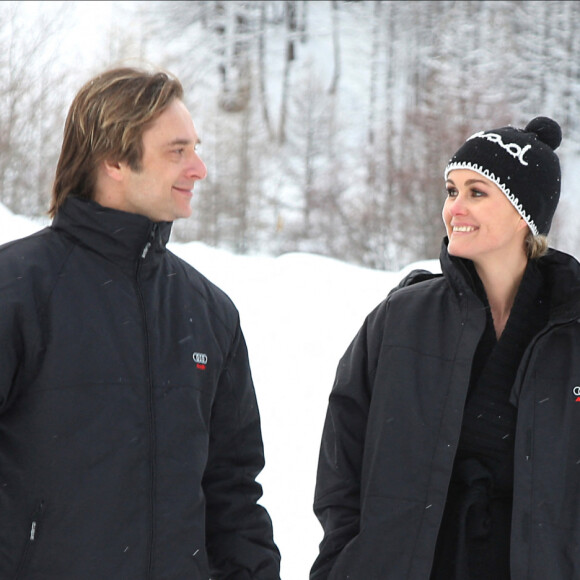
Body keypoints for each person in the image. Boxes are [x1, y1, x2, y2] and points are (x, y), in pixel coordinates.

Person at [0, 66, 281, 579]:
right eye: (177, 151)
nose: (198, 168)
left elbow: (233, 495)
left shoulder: (209, 312)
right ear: (113, 159)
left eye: (195, 148)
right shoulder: (16, 290)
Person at [310, 116, 580, 579]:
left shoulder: (570, 332)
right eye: (451, 191)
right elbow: (342, 462)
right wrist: (346, 560)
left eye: (476, 193)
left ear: (524, 213)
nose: (455, 207)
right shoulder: (400, 319)